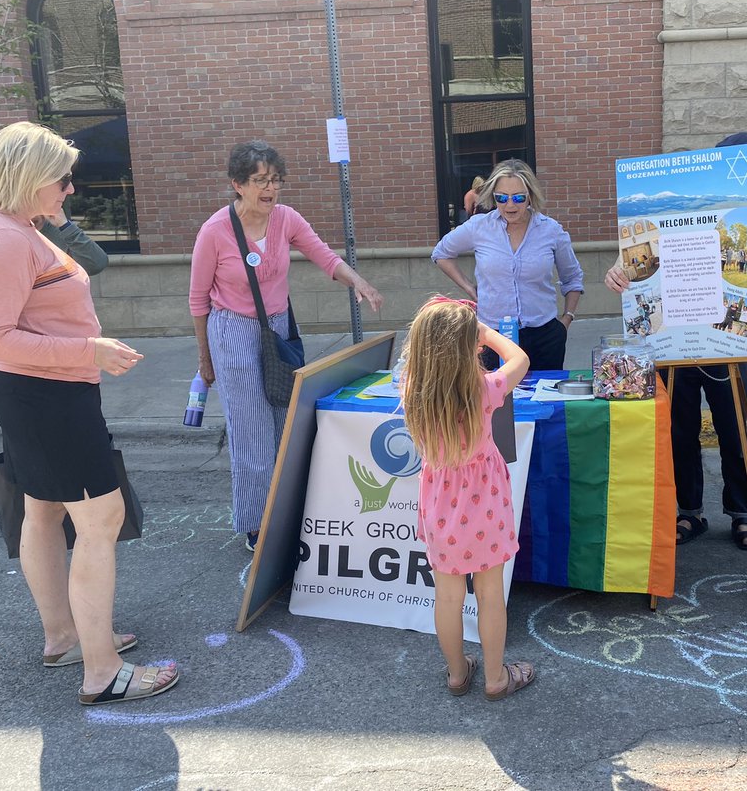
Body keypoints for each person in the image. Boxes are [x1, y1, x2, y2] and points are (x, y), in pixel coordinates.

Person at [0, 121, 178, 705]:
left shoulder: (6, 226)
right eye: (62, 178)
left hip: (36, 394)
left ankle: (64, 638)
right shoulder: (3, 238)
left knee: (43, 511)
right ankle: (100, 671)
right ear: (27, 177)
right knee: (100, 519)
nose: (70, 189)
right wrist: (88, 350)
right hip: (47, 395)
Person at [189, 141, 384, 551]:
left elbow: (325, 256)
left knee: (284, 426)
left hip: (277, 331)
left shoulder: (286, 219)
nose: (270, 188)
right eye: (260, 180)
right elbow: (198, 300)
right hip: (233, 332)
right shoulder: (215, 231)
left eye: (275, 180)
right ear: (237, 184)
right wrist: (205, 359)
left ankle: (283, 515)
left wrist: (359, 283)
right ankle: (256, 525)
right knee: (252, 433)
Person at [604, 132, 747, 551]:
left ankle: (743, 513)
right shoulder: (676, 214)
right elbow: (634, 257)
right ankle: (689, 511)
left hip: (728, 346)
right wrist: (617, 271)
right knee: (680, 430)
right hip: (674, 346)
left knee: (733, 430)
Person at [399, 296, 535, 701]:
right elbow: (521, 360)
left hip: (441, 506)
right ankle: (496, 677)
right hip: (485, 503)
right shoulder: (484, 389)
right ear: (470, 345)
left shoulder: (413, 390)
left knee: (448, 595)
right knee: (490, 594)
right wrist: (488, 332)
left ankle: (457, 673)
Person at [432, 159, 584, 371]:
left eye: (519, 198)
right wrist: (468, 287)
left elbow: (572, 278)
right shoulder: (479, 227)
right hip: (493, 337)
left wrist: (566, 320)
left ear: (530, 195)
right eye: (501, 198)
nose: (510, 205)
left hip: (544, 337)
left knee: (544, 402)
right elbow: (441, 253)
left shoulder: (551, 231)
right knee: (495, 403)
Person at [0, 211, 108, 370]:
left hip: (64, 346)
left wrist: (65, 225)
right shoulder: (2, 235)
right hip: (15, 351)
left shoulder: (55, 231)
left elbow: (95, 264)